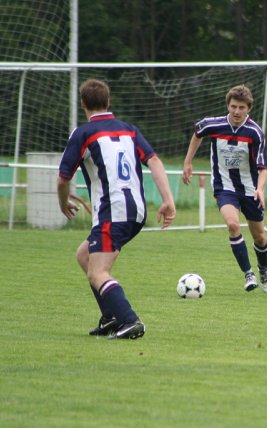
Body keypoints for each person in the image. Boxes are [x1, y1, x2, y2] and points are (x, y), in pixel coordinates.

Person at [57, 78, 176, 340]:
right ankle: (111, 317)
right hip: (136, 211)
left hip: (113, 211)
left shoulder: (83, 134)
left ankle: (130, 320)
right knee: (84, 255)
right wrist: (168, 199)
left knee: (98, 272)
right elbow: (154, 160)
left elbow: (63, 179)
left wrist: (62, 202)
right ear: (108, 101)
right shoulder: (129, 130)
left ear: (83, 103)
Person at [182, 84, 267, 293]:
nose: (237, 111)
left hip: (250, 189)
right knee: (232, 224)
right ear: (228, 106)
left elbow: (263, 168)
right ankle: (248, 274)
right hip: (224, 186)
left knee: (260, 237)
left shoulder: (255, 132)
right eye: (233, 106)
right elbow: (197, 133)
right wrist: (188, 162)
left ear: (249, 108)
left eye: (241, 107)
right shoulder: (213, 124)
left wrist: (260, 189)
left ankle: (263, 270)